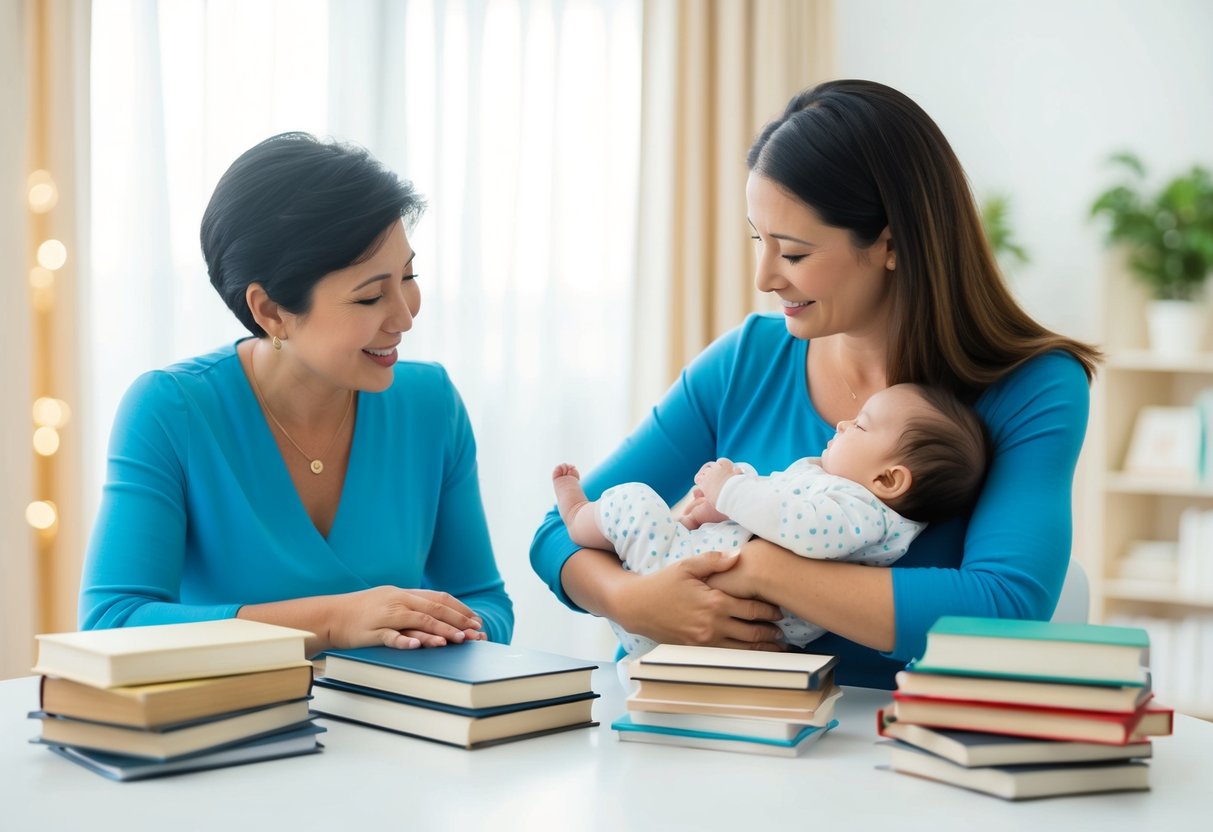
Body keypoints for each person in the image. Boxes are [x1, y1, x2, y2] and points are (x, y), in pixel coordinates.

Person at [530, 80, 1100, 688]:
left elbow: (1005, 608)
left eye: (794, 254)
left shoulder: (1033, 388)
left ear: (891, 244)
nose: (764, 277)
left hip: (884, 753)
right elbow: (555, 535)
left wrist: (763, 569)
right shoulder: (747, 360)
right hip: (686, 723)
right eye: (759, 240)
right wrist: (632, 602)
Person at [79, 133, 513, 656]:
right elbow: (113, 622)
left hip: (405, 730)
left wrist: (438, 627)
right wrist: (330, 622)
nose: (405, 315)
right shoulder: (171, 410)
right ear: (269, 311)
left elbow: (486, 602)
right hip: (230, 730)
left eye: (409, 275)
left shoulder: (430, 403)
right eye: (371, 295)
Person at [551, 383, 990, 654]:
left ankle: (578, 513)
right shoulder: (836, 489)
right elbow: (779, 510)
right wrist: (721, 505)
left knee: (636, 500)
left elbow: (804, 530)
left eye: (860, 426)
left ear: (889, 479)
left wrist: (733, 490)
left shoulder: (864, 513)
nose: (842, 423)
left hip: (684, 600)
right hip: (662, 604)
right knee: (655, 511)